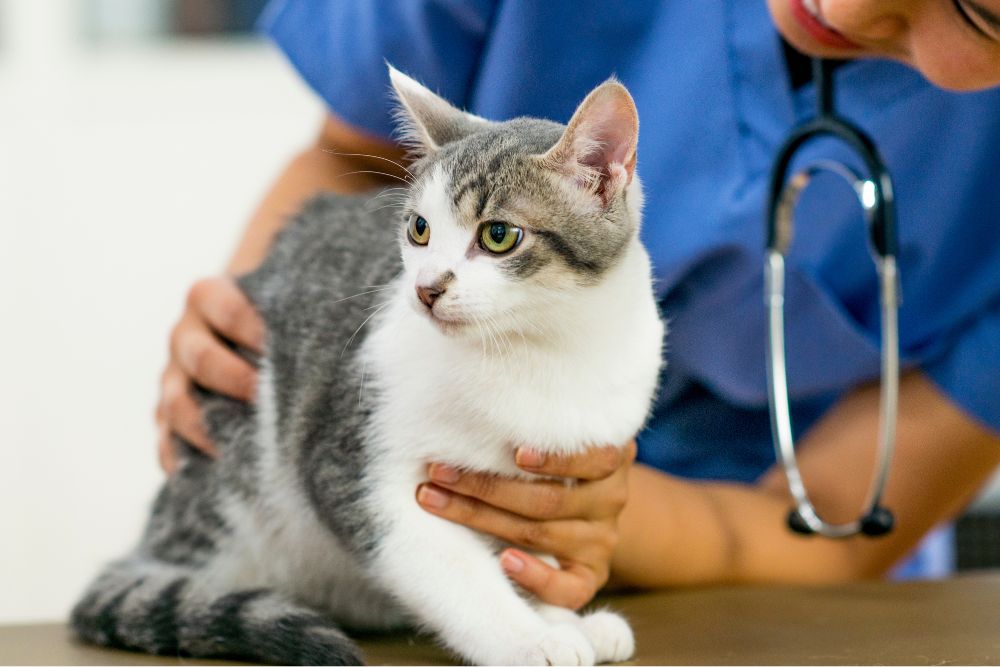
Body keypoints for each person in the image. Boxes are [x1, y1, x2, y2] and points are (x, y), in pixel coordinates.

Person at [156, 0, 1000, 611]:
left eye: (977, 12)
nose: (850, 8)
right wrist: (260, 346)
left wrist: (582, 514)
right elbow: (351, 163)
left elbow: (837, 525)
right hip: (403, 515)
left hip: (767, 593)